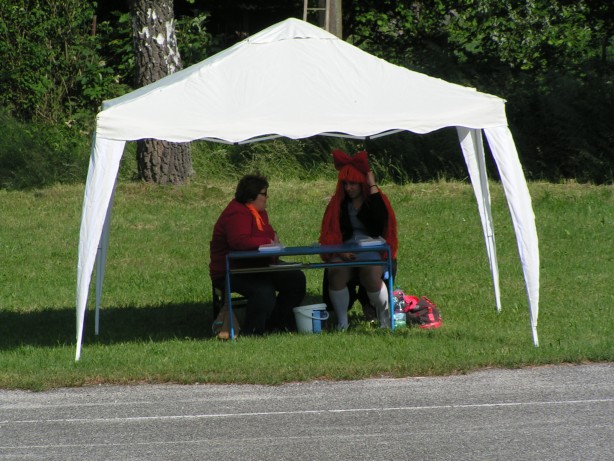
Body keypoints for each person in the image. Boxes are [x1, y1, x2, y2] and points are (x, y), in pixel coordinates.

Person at [209, 174, 306, 335]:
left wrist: (271, 240)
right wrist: (268, 241)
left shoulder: (259, 213)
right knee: (263, 290)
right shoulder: (236, 213)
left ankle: (278, 322)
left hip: (257, 266)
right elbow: (239, 242)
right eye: (264, 194)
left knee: (295, 279)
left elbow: (268, 234)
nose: (267, 197)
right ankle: (253, 331)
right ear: (251, 196)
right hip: (231, 271)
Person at [319, 150, 398, 330]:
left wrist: (372, 184)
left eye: (353, 183)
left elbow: (380, 224)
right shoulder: (338, 204)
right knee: (335, 272)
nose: (348, 188)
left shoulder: (376, 201)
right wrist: (340, 252)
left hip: (372, 251)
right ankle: (342, 322)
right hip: (345, 250)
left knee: (371, 274)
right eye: (345, 184)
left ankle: (384, 318)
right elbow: (330, 235)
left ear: (362, 183)